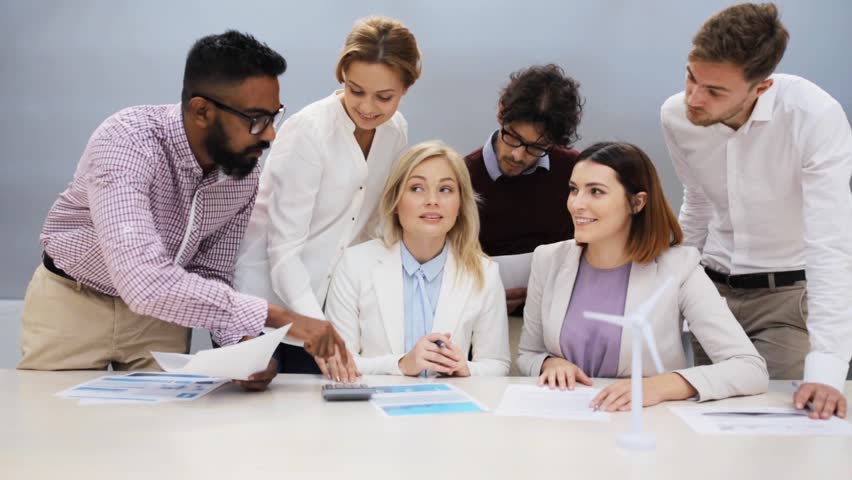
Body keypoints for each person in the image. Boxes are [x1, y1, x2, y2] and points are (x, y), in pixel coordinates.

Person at [18, 30, 351, 391]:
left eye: (274, 117)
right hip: (74, 302)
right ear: (201, 111)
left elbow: (211, 273)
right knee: (51, 416)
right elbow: (142, 279)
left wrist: (242, 346)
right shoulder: (126, 142)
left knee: (164, 423)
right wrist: (283, 318)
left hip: (163, 317)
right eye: (256, 119)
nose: (270, 134)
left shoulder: (242, 174)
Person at [660, 3, 852, 419]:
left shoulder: (814, 118)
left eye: (715, 92)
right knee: (707, 420)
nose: (694, 98)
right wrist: (668, 286)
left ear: (761, 87)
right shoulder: (676, 116)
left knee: (775, 424)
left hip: (785, 300)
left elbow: (830, 243)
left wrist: (827, 368)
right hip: (711, 294)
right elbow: (697, 204)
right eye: (691, 77)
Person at [518, 142, 768, 409]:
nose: (577, 204)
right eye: (574, 190)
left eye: (596, 192)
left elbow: (749, 368)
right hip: (567, 417)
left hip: (645, 420)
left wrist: (660, 386)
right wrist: (549, 363)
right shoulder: (548, 260)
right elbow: (528, 354)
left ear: (637, 202)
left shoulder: (679, 267)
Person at [234, 16, 420, 376]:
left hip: (327, 308)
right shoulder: (310, 132)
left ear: (407, 87)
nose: (367, 107)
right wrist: (317, 330)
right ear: (342, 76)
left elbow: (372, 226)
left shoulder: (396, 131)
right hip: (265, 306)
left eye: (384, 97)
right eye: (355, 90)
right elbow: (284, 250)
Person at [325, 141, 511, 376]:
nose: (432, 200)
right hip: (374, 399)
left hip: (451, 399)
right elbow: (338, 363)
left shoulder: (485, 273)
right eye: (416, 188)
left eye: (445, 189)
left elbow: (497, 364)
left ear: (460, 204)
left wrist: (465, 369)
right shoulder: (354, 264)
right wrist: (402, 364)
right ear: (395, 200)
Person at [464, 64, 583, 314]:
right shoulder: (461, 177)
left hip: (559, 311)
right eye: (513, 138)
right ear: (501, 112)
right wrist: (481, 298)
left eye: (536, 147)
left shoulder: (575, 170)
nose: (518, 155)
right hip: (485, 315)